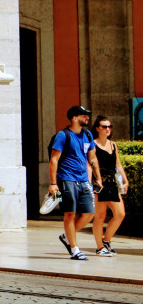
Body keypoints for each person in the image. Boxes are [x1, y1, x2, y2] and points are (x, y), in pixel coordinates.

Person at [49, 105, 103, 260]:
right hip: (67, 179)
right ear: (74, 118)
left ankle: (66, 236)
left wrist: (98, 178)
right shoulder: (63, 135)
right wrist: (53, 183)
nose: (87, 118)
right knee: (70, 213)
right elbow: (54, 159)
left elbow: (92, 158)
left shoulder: (87, 135)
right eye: (83, 115)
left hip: (84, 180)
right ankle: (74, 248)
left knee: (89, 213)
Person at [92, 115, 128, 256]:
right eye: (104, 126)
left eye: (109, 126)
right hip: (99, 182)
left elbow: (117, 164)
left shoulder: (113, 144)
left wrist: (125, 180)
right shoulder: (93, 145)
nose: (108, 129)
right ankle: (100, 247)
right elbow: (92, 164)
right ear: (97, 128)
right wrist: (95, 181)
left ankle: (106, 240)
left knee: (120, 214)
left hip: (112, 181)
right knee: (100, 216)